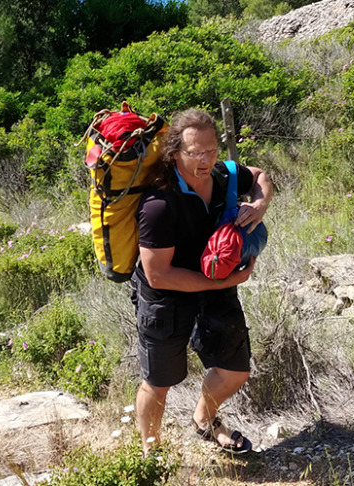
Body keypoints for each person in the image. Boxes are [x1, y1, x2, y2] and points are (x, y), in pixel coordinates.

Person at [131, 108, 273, 455]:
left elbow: (260, 175)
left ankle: (204, 420)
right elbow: (158, 274)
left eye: (212, 150)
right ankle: (152, 455)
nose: (206, 160)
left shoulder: (224, 176)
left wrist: (260, 203)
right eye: (195, 152)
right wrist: (223, 282)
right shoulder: (159, 204)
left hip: (215, 282)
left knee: (234, 370)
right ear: (175, 153)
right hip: (165, 296)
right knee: (159, 382)